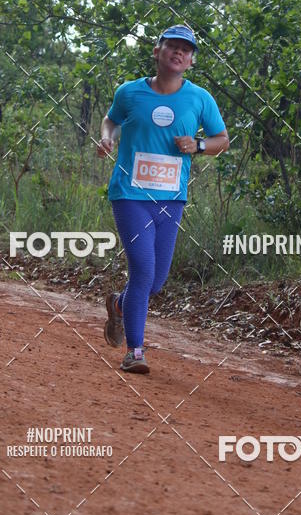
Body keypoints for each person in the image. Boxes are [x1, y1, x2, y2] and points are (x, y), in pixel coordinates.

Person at [96, 24, 230, 374]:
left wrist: (198, 145)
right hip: (130, 195)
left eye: (186, 50)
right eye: (172, 46)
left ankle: (120, 306)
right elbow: (110, 120)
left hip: (171, 199)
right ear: (157, 52)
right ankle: (135, 351)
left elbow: (222, 140)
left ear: (191, 61)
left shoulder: (200, 99)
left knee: (156, 280)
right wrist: (107, 138)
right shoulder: (130, 92)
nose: (178, 52)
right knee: (142, 271)